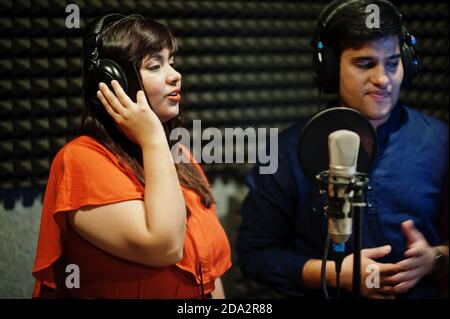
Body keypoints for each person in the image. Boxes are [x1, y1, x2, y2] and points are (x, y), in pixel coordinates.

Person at [236, 0, 448, 299]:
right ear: (331, 68)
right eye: (365, 64)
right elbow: (255, 257)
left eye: (392, 62)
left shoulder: (439, 141)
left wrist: (435, 259)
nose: (383, 79)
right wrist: (336, 275)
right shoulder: (285, 150)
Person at [32, 14, 231, 299]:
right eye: (154, 65)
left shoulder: (180, 156)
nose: (175, 75)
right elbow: (166, 246)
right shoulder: (80, 160)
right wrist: (152, 138)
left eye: (171, 61)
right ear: (116, 81)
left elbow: (210, 276)